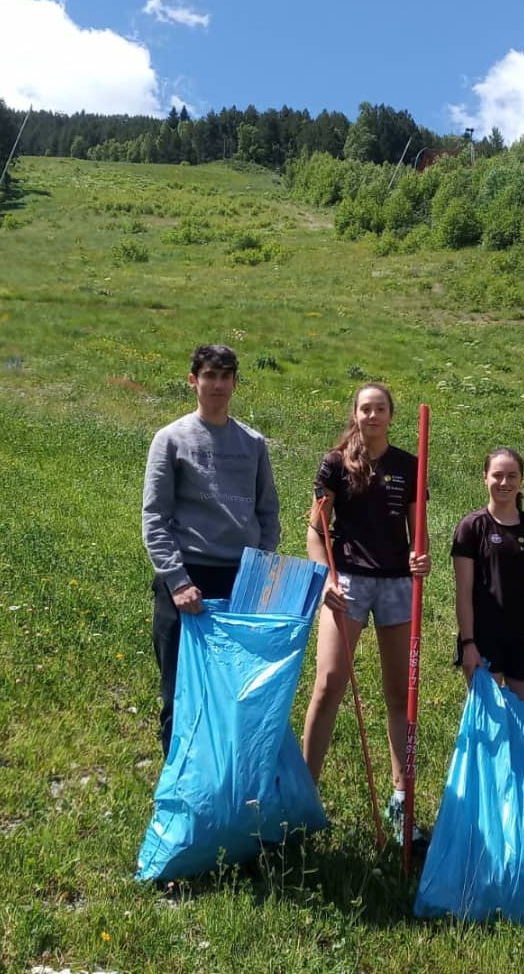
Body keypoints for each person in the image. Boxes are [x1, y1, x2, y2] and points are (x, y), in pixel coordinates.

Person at [301, 383, 431, 848]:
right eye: (364, 408)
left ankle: (401, 801)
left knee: (400, 696)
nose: (372, 415)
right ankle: (304, 796)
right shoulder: (335, 464)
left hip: (398, 583)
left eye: (380, 408)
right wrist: (325, 579)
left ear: (391, 415)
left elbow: (419, 533)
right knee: (329, 683)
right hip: (348, 581)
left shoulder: (408, 466)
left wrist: (423, 558)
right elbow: (316, 531)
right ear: (354, 414)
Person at [142, 344, 280, 758]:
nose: (217, 384)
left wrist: (258, 573)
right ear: (193, 381)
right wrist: (178, 582)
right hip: (186, 584)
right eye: (209, 376)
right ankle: (178, 784)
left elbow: (268, 512)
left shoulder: (253, 443)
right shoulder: (170, 440)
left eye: (226, 376)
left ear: (235, 383)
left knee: (233, 692)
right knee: (179, 691)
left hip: (240, 583)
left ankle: (226, 785)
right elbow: (154, 518)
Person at [451, 447, 524, 790]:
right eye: (497, 475)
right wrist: (468, 643)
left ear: (522, 481)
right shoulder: (472, 527)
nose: (504, 482)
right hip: (484, 641)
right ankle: (486, 818)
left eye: (511, 476)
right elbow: (463, 592)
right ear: (485, 478)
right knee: (487, 732)